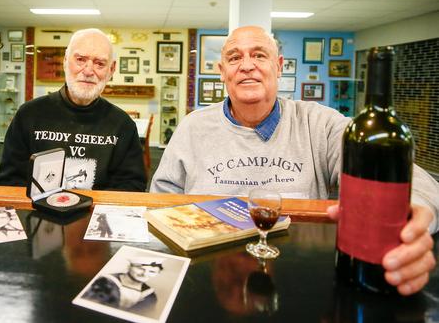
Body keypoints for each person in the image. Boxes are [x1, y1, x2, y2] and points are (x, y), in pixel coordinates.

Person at [150, 25, 438, 295]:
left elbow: (412, 179)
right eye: (235, 57)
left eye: (259, 55)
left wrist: (409, 218)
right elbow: (161, 200)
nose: (247, 65)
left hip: (298, 272)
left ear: (279, 66)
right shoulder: (193, 126)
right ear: (222, 71)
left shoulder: (321, 123)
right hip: (205, 264)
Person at [0, 28, 146, 191]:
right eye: (80, 59)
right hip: (37, 212)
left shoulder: (123, 126)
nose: (88, 71)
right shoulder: (28, 115)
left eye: (99, 63)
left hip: (95, 214)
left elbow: (131, 187)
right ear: (65, 61)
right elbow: (8, 182)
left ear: (111, 70)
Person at [83, 257, 163, 310]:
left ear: (158, 273)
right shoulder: (106, 281)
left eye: (152, 271)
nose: (145, 274)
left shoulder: (149, 294)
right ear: (129, 267)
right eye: (140, 268)